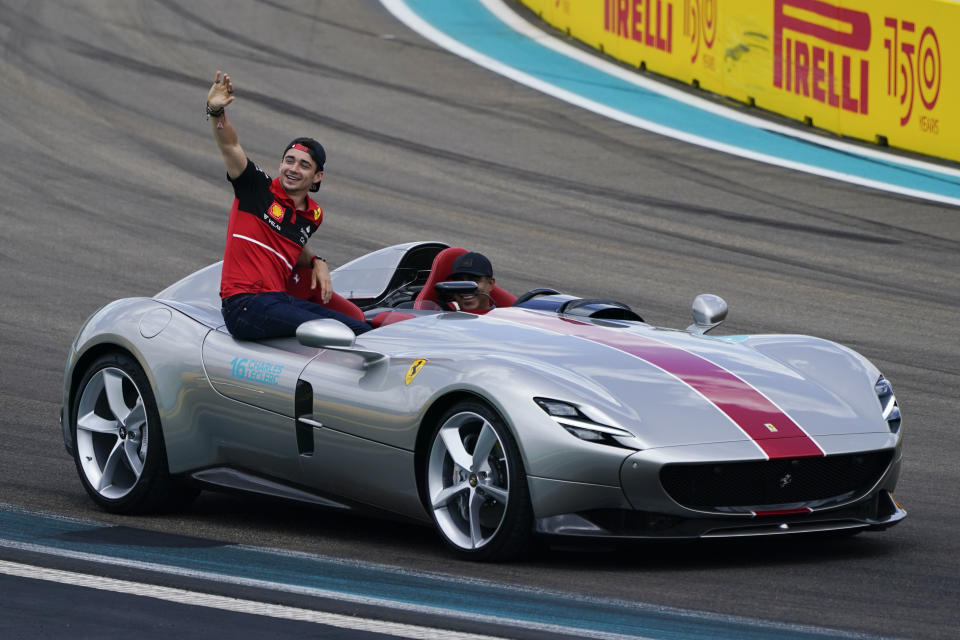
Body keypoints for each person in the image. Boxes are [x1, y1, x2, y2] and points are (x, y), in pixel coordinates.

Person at [206, 70, 371, 339]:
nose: (293, 169)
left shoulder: (313, 215)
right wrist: (215, 112)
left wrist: (317, 261)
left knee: (360, 330)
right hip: (245, 305)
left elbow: (293, 243)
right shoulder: (255, 188)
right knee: (332, 333)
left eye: (304, 165)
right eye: (289, 160)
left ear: (317, 177)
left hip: (278, 301)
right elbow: (230, 145)